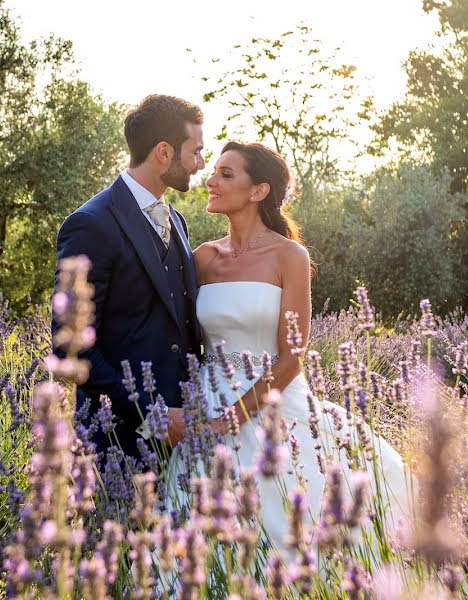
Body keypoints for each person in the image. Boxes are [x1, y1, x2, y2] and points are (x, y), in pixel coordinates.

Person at [165, 142, 414, 565]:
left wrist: (227, 420)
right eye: (215, 171)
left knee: (293, 522)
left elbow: (292, 357)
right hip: (206, 400)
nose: (211, 180)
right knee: (197, 534)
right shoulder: (202, 257)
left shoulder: (289, 256)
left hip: (273, 404)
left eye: (227, 174)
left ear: (258, 190)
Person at [53, 94, 204, 461]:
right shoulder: (91, 224)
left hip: (185, 438)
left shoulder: (178, 222)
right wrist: (153, 416)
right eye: (196, 151)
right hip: (116, 442)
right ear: (164, 153)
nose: (201, 164)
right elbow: (71, 345)